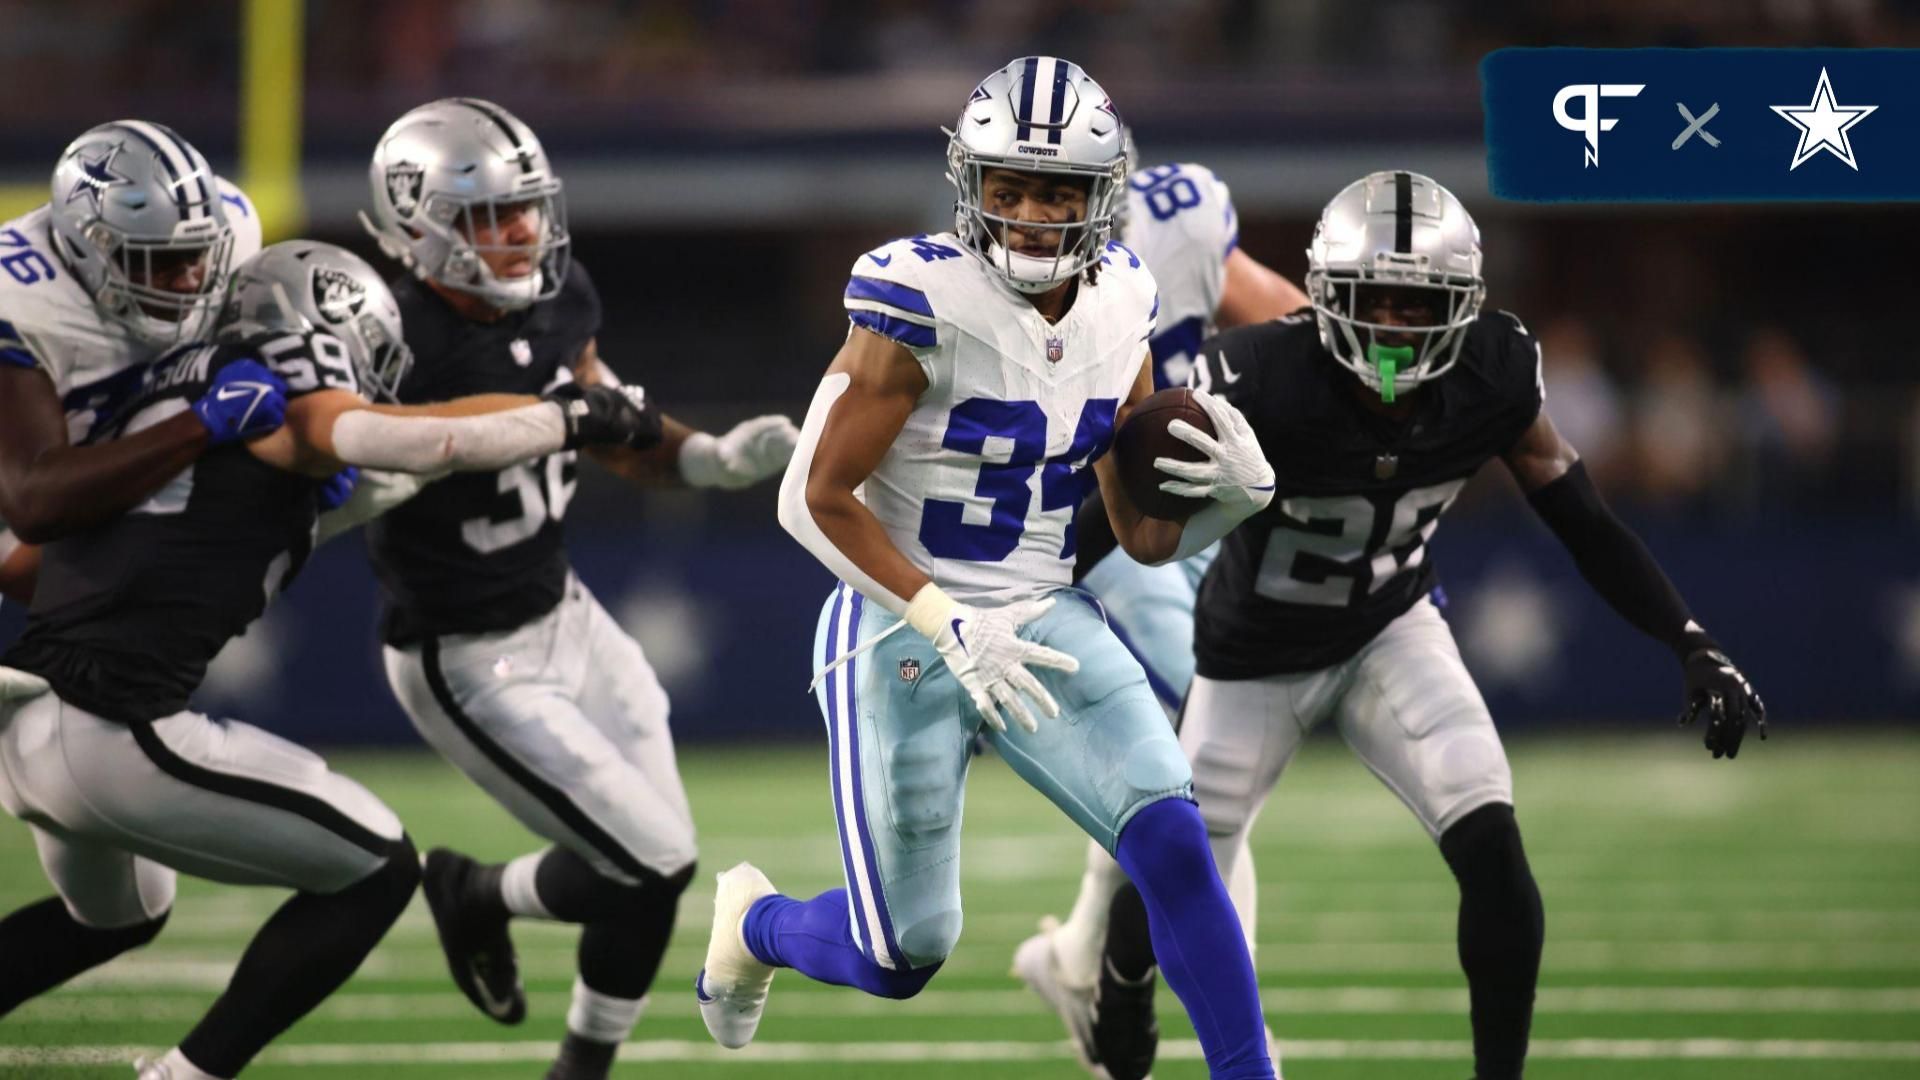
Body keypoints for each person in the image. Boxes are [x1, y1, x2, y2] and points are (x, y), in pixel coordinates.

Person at [1083, 171, 1768, 1080]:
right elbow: (1120, 512)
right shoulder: (1255, 377)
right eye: (1376, 302)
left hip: (1388, 629)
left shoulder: (1493, 370)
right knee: (1175, 863)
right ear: (1328, 296)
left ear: (1464, 308)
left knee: (1493, 848)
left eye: (1421, 305)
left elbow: (1582, 517)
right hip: (1252, 655)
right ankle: (1119, 982)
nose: (1394, 331)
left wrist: (1690, 639)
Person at [696, 57, 1278, 1079]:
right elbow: (809, 498)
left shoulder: (1125, 300)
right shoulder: (918, 297)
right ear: (970, 185)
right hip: (899, 627)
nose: (1025, 213)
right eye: (1005, 187)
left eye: (1054, 190)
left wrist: (1227, 505)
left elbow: (1137, 535)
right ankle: (757, 925)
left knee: (1180, 847)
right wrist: (943, 621)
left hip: (1045, 615)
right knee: (903, 951)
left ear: (1101, 198)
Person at [0, 240, 657, 1080]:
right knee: (378, 870)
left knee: (118, 917)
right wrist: (570, 415)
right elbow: (426, 439)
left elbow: (56, 561)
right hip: (114, 729)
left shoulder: (171, 397)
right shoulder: (278, 398)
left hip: (33, 718)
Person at [357, 97, 799, 1080]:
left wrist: (708, 461)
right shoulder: (391, 340)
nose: (518, 233)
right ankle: (482, 904)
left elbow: (607, 420)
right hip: (463, 650)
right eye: (485, 217)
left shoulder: (562, 298)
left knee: (655, 859)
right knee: (652, 862)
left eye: (527, 208)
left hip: (563, 610)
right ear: (415, 225)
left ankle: (508, 941)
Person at [1012, 144, 1310, 1076]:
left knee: (1180, 767)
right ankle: (1239, 1037)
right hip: (1085, 525)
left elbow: (1296, 330)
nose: (1046, 215)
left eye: (1069, 189)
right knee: (1209, 756)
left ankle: (1076, 961)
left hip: (1192, 514)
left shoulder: (1177, 219)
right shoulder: (981, 284)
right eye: (1023, 190)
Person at [0, 121, 283, 552]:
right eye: (163, 261)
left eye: (199, 255)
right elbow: (32, 502)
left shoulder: (231, 228)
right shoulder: (20, 300)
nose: (190, 282)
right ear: (89, 249)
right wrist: (201, 424)